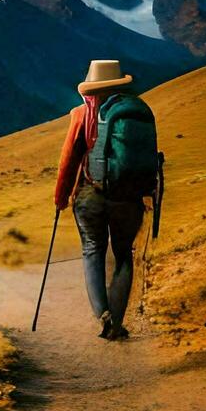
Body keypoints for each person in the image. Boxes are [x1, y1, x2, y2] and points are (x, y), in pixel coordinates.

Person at [53, 60, 157, 340]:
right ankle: (118, 322)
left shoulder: (81, 114)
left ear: (92, 87)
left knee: (93, 251)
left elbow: (69, 160)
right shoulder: (134, 111)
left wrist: (61, 197)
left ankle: (104, 317)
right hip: (129, 196)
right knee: (124, 256)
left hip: (92, 195)